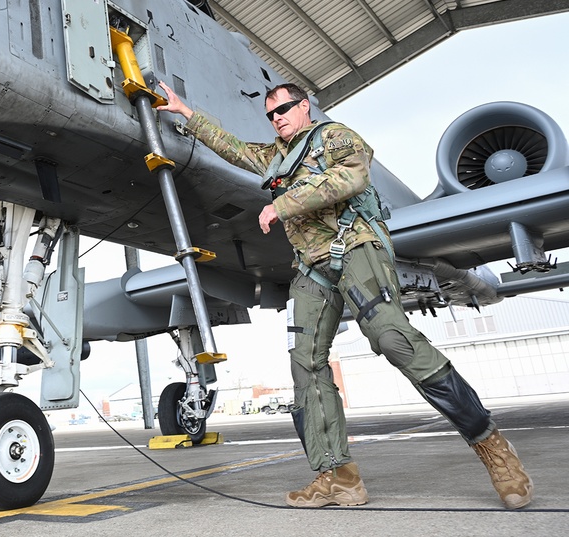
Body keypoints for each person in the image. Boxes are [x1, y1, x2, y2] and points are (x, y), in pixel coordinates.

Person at [155, 80, 533, 509]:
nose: (277, 117)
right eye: (270, 114)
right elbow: (232, 147)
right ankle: (337, 476)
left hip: (354, 245)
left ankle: (492, 447)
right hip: (310, 268)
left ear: (305, 108)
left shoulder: (335, 136)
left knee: (391, 337)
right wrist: (186, 114)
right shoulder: (275, 156)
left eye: (284, 108)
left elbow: (351, 176)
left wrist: (283, 204)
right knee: (305, 363)